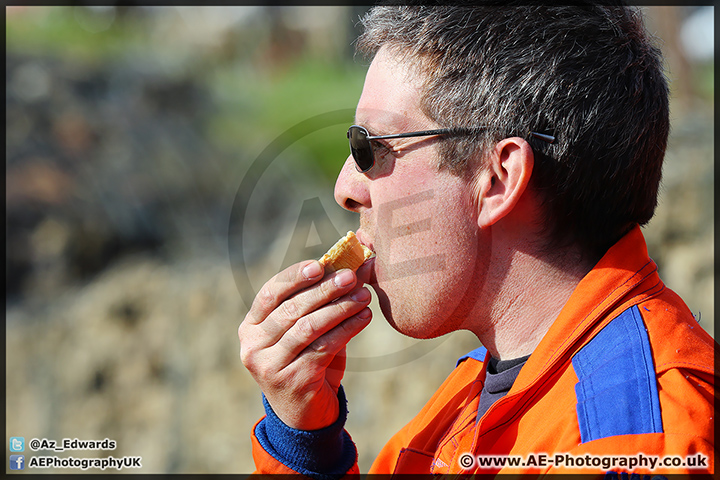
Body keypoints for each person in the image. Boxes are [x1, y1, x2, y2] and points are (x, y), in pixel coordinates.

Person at [238, 4, 716, 476]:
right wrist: (306, 441)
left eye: (371, 147)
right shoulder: (469, 403)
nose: (345, 187)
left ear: (498, 179)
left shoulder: (637, 445)